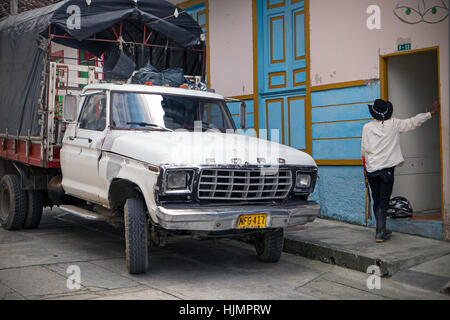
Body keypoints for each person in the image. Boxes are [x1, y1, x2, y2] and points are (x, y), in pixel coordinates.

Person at [361, 99, 440, 243]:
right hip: (387, 171)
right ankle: (380, 232)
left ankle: (380, 230)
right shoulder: (395, 124)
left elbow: (363, 150)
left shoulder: (366, 127)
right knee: (384, 201)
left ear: (374, 113)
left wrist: (365, 169)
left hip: (371, 169)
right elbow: (412, 122)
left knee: (377, 200)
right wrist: (431, 113)